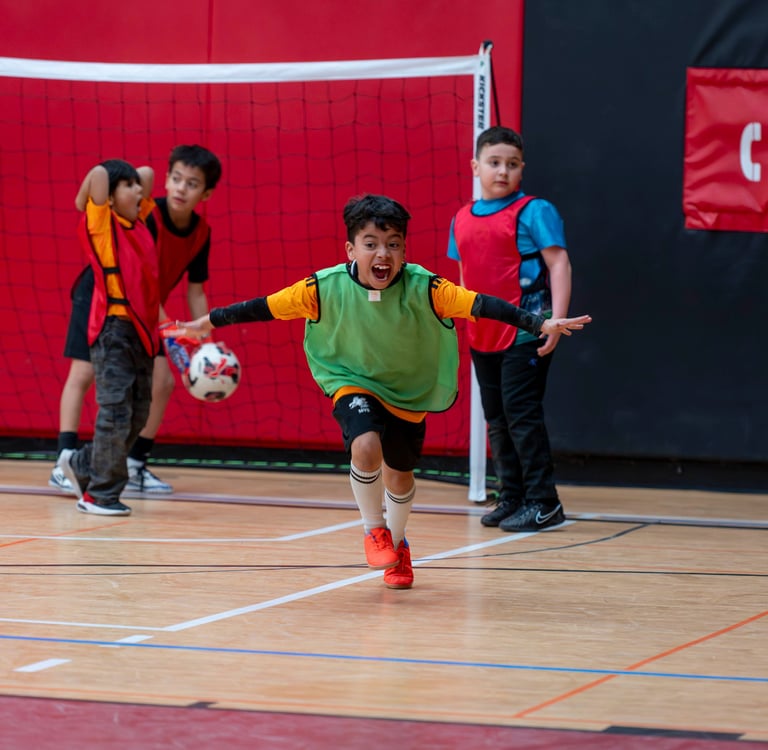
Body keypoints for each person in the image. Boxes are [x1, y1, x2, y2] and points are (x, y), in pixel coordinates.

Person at [170, 194, 591, 587]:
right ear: (351, 250)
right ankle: (374, 530)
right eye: (370, 244)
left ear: (404, 251)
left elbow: (482, 304)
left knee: (401, 474)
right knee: (365, 444)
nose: (382, 254)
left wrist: (539, 323)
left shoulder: (426, 287)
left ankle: (399, 543)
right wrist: (205, 323)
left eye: (393, 244)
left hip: (407, 391)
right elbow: (262, 306)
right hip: (349, 380)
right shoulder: (322, 288)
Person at [50, 145, 222, 496]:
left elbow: (195, 291)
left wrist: (203, 337)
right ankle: (63, 460)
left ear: (206, 193)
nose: (179, 188)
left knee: (161, 384)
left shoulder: (200, 232)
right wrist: (171, 330)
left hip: (144, 309)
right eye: (175, 179)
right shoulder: (147, 213)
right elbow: (142, 174)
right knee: (83, 373)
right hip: (103, 294)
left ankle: (134, 462)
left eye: (191, 184)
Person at [447, 125, 577, 532]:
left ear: (522, 169)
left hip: (528, 327)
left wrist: (554, 322)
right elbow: (465, 274)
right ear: (476, 166)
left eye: (512, 164)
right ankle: (513, 496)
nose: (503, 171)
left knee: (521, 415)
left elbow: (559, 263)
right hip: (482, 332)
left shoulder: (535, 211)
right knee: (497, 418)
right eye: (494, 162)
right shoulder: (462, 217)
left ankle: (544, 502)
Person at [56, 159, 159, 515]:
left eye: (137, 188)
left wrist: (129, 180)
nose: (140, 190)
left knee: (137, 414)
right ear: (110, 199)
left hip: (142, 333)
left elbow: (147, 173)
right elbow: (99, 175)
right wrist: (108, 181)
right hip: (113, 329)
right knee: (115, 412)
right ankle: (99, 494)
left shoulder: (139, 222)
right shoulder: (102, 223)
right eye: (128, 186)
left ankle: (83, 465)